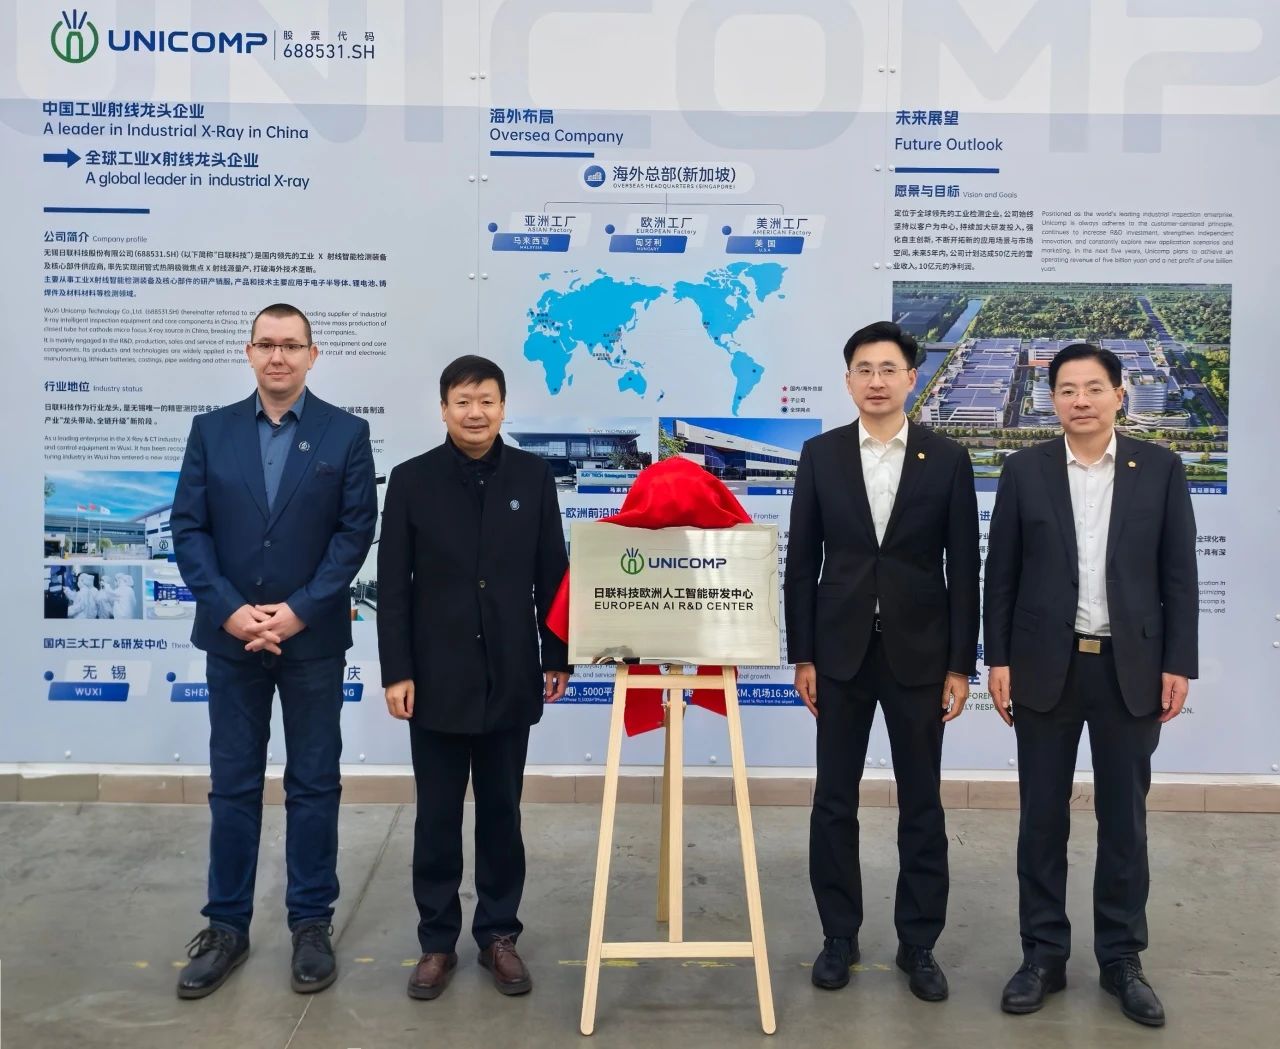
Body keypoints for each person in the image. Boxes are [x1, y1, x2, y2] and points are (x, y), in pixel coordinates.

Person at [983, 343, 1197, 1027]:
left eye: (1094, 387)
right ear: (1051, 399)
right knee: (1041, 819)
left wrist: (1178, 663)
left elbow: (1179, 576)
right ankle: (1042, 955)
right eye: (1067, 389)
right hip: (1044, 665)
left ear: (1119, 394)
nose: (1081, 400)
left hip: (1130, 668)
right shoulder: (1025, 470)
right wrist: (998, 658)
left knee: (1124, 821)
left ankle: (1121, 959)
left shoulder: (1159, 469)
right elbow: (1001, 572)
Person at [170, 303, 377, 999]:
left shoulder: (346, 433)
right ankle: (225, 926)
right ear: (249, 352)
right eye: (267, 344)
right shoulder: (212, 431)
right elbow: (189, 529)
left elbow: (354, 533)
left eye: (291, 345)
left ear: (313, 355)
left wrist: (297, 612)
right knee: (233, 783)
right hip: (231, 639)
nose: (278, 356)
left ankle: (311, 923)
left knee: (314, 782)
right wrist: (230, 611)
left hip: (310, 639)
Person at [785, 320, 979, 1000]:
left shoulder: (946, 458)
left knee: (921, 802)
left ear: (911, 378)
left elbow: (964, 568)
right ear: (848, 381)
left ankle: (918, 943)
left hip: (920, 655)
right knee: (833, 801)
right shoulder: (821, 455)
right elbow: (802, 562)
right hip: (838, 655)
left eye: (888, 369)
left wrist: (960, 665)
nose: (876, 381)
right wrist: (803, 654)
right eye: (864, 369)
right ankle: (838, 935)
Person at [377, 355, 570, 1001]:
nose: (475, 412)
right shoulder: (411, 480)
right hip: (434, 677)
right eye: (463, 401)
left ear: (503, 406)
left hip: (510, 673)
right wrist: (397, 670)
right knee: (435, 817)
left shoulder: (532, 476)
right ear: (443, 409)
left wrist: (556, 655)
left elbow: (552, 571)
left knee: (501, 813)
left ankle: (498, 935)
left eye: (486, 400)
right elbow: (393, 586)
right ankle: (437, 941)